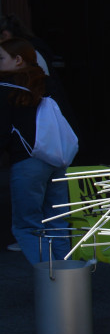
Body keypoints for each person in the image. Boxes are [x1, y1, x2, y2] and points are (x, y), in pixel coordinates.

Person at [1, 37, 73, 264]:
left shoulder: (5, 90)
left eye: (1, 58)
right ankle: (66, 281)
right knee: (57, 221)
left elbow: (3, 132)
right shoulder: (46, 83)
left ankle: (49, 281)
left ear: (18, 60)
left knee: (26, 226)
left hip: (26, 162)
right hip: (57, 159)